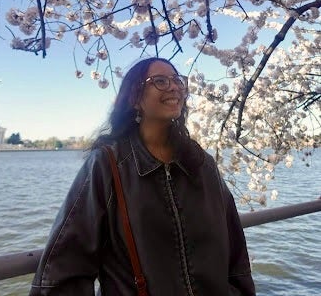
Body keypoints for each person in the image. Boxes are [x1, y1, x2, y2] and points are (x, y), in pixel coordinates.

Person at [29, 57, 256, 295]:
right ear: (135, 98)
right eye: (159, 81)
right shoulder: (108, 164)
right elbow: (67, 262)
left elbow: (234, 249)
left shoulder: (201, 164)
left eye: (177, 80)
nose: (174, 87)